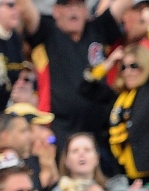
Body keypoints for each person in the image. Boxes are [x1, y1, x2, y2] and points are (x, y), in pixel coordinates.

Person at [17, 0, 125, 145]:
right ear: (55, 11)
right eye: (67, 6)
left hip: (101, 126)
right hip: (60, 126)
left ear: (86, 11)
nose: (73, 10)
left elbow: (124, 4)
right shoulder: (46, 32)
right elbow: (25, 8)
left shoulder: (98, 29)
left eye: (79, 5)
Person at [91, 40, 149, 184]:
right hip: (125, 171)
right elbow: (87, 87)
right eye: (123, 67)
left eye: (133, 66)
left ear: (146, 65)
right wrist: (109, 62)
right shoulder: (119, 95)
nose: (127, 72)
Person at [46, 132, 128, 191]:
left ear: (96, 158)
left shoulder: (114, 189)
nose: (81, 154)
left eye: (87, 150)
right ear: (66, 160)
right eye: (75, 151)